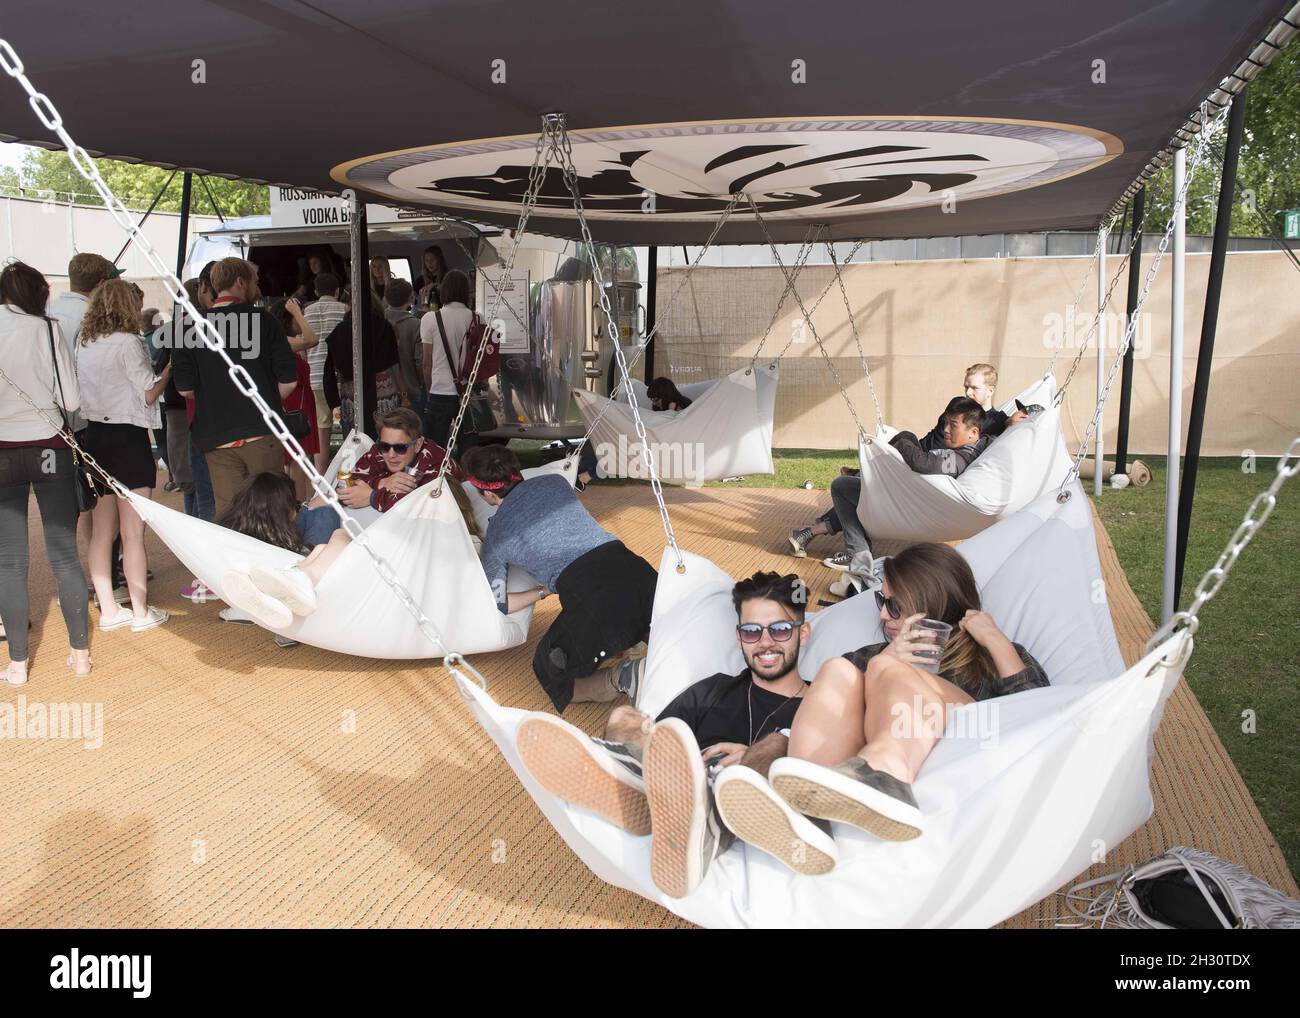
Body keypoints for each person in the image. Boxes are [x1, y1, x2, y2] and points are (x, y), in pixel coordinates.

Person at [517, 571, 838, 897]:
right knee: (625, 717)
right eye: (752, 632)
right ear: (739, 637)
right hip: (688, 788)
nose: (765, 642)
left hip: (764, 800)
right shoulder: (714, 689)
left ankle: (709, 811)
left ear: (804, 633)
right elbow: (661, 738)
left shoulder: (820, 704)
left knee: (776, 747)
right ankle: (631, 782)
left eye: (780, 629)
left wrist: (751, 757)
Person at [734, 543, 1050, 859]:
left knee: (881, 668)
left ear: (932, 604)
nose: (883, 614)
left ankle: (888, 774)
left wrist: (995, 639)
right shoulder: (876, 655)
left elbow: (1039, 716)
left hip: (963, 741)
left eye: (895, 605)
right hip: (866, 757)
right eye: (881, 600)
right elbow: (823, 716)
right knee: (836, 669)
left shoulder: (990, 655)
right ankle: (807, 815)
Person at [219, 408, 462, 627]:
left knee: (330, 525)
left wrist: (373, 496)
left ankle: (278, 591)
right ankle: (279, 584)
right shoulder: (382, 455)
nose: (390, 454)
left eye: (400, 447)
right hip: (353, 534)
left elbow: (433, 505)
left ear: (417, 444)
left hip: (398, 545)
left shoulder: (435, 460)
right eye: (384, 446)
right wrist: (383, 483)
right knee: (323, 515)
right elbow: (351, 482)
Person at [462, 444, 657, 712]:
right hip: (637, 571)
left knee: (549, 669)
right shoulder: (555, 482)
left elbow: (498, 602)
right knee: (655, 625)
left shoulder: (497, 535)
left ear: (485, 493)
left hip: (593, 596)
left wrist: (542, 592)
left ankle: (624, 677)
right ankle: (653, 654)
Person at [0, 261, 91, 684]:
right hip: (49, 447)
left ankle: (18, 665)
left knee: (9, 562)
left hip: (2, 451)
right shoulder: (48, 329)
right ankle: (80, 656)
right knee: (63, 554)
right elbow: (70, 397)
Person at [789, 397, 994, 572]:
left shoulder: (960, 458)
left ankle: (857, 553)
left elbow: (923, 463)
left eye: (953, 425)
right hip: (913, 494)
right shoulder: (979, 444)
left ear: (973, 432)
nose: (946, 430)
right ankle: (859, 481)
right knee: (859, 489)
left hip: (912, 504)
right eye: (946, 424)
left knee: (842, 486)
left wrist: (901, 442)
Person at [76, 279, 170, 632]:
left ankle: (109, 611)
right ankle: (142, 612)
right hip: (129, 439)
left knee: (102, 531)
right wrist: (168, 372)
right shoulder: (129, 342)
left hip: (95, 436)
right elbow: (148, 393)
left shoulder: (84, 342)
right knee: (133, 532)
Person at [171, 257, 298, 519]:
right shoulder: (264, 320)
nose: (257, 286)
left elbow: (184, 389)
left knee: (230, 516)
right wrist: (262, 403)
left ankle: (237, 561)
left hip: (215, 437)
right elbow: (289, 380)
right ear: (241, 282)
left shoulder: (186, 327)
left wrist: (216, 397)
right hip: (262, 433)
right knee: (273, 512)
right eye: (254, 281)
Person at [322, 292, 403, 440]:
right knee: (385, 438)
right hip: (383, 393)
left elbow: (329, 371)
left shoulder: (340, 330)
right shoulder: (385, 327)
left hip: (351, 395)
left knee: (355, 442)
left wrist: (333, 401)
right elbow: (394, 363)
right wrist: (402, 392)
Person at [267, 297, 320, 501]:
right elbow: (312, 339)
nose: (302, 320)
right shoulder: (283, 341)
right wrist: (297, 312)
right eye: (299, 317)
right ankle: (299, 505)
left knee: (294, 462)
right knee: (297, 461)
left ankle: (296, 504)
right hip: (293, 401)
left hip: (299, 400)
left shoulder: (283, 341)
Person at [419, 269, 478, 451]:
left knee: (434, 450)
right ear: (465, 291)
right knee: (469, 449)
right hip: (468, 391)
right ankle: (469, 479)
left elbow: (427, 363)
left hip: (439, 390)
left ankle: (438, 480)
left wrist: (429, 389)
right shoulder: (476, 318)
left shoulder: (430, 318)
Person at [303, 271, 348, 472]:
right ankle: (348, 468)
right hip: (339, 377)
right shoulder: (344, 309)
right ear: (337, 291)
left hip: (315, 375)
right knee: (348, 424)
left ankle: (321, 474)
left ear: (315, 291)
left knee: (322, 428)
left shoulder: (306, 312)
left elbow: (303, 348)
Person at [385, 279, 426, 421]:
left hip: (383, 393)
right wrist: (421, 383)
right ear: (411, 298)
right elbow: (420, 361)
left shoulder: (378, 321)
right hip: (410, 392)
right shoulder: (416, 325)